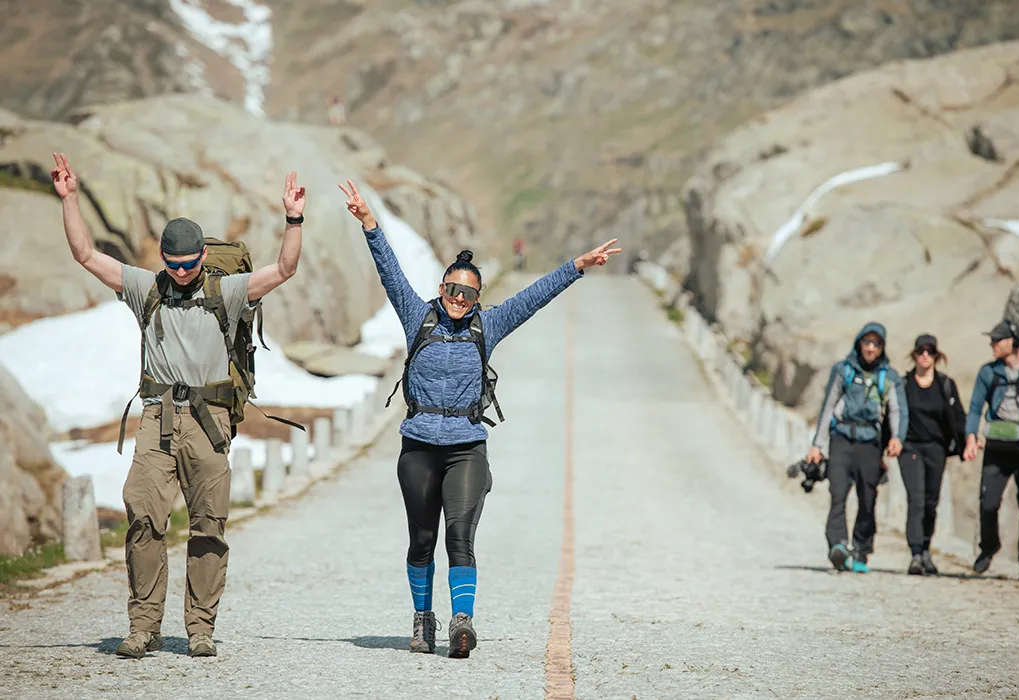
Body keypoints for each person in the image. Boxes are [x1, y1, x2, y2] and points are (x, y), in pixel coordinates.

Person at [338, 178, 620, 658]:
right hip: (419, 448)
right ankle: (423, 619)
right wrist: (369, 222)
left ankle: (461, 622)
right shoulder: (416, 316)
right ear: (441, 288)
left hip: (467, 447)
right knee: (422, 540)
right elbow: (389, 271)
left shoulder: (488, 325)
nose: (458, 299)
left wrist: (577, 266)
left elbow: (533, 296)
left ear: (477, 299)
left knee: (460, 537)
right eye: (452, 290)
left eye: (467, 295)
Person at [51, 153, 306, 658]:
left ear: (203, 258)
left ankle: (200, 628)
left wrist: (292, 218)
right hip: (157, 419)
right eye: (175, 264)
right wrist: (71, 199)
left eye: (191, 263)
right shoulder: (147, 289)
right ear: (164, 259)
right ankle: (143, 626)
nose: (184, 271)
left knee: (209, 525)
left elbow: (284, 268)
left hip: (209, 424)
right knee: (144, 516)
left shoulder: (225, 291)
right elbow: (84, 254)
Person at [807, 322, 908, 573]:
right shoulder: (843, 371)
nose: (871, 348)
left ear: (882, 347)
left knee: (867, 498)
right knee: (838, 493)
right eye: (867, 342)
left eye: (876, 344)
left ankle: (861, 549)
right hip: (841, 438)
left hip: (870, 443)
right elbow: (828, 406)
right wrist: (817, 445)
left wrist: (897, 437)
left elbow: (897, 409)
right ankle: (838, 545)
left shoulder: (889, 377)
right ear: (858, 343)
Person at [963, 319, 1019, 583]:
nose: (991, 344)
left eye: (997, 340)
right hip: (996, 447)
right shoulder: (988, 373)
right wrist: (970, 437)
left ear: (1013, 342)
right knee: (988, 503)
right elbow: (976, 407)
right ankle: (989, 547)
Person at [898, 334, 967, 576]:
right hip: (910, 449)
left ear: (936, 356)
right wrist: (889, 442)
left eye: (929, 351)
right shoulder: (904, 384)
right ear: (914, 355)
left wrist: (967, 442)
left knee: (931, 502)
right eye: (920, 351)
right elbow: (892, 414)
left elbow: (959, 417)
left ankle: (926, 548)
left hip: (936, 449)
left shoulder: (945, 385)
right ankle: (915, 553)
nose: (925, 355)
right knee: (916, 500)